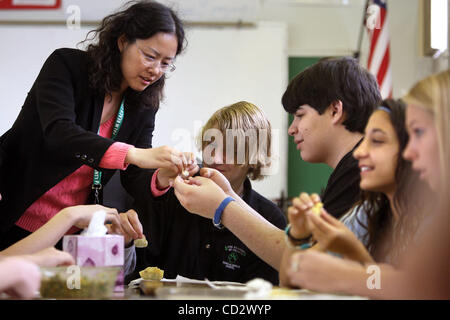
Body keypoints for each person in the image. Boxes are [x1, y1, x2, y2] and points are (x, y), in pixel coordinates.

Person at [0, 0, 195, 250]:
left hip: (68, 232)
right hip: (12, 210)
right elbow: (60, 133)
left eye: (166, 63)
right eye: (150, 56)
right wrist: (135, 153)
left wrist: (162, 177)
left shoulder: (143, 104)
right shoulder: (67, 66)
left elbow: (134, 174)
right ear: (123, 41)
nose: (156, 70)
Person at [171, 57, 381, 272]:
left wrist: (222, 207)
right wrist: (228, 196)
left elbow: (311, 266)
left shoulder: (363, 173)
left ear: (335, 111)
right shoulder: (353, 171)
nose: (292, 129)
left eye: (300, 115)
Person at [283, 70, 450, 299]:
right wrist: (297, 236)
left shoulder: (434, 213)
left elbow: (420, 288)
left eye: (378, 141)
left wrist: (352, 264)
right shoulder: (368, 210)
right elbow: (296, 275)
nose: (360, 152)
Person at [128, 101, 286, 285]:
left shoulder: (270, 219)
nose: (215, 158)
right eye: (211, 145)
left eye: (231, 149)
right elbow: (137, 268)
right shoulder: (173, 193)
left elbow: (262, 296)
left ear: (254, 157)